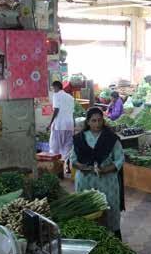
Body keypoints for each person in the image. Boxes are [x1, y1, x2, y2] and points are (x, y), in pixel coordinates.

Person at [70, 107, 125, 239]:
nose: (97, 124)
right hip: (85, 181)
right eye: (93, 121)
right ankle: (89, 238)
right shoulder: (79, 139)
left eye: (100, 120)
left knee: (109, 208)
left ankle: (112, 237)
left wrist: (105, 169)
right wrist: (82, 167)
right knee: (88, 209)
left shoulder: (111, 138)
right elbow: (73, 159)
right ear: (88, 122)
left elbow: (119, 159)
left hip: (107, 182)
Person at [48, 81, 75, 159]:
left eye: (53, 88)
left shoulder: (56, 95)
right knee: (67, 148)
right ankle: (66, 167)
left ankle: (56, 167)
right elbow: (72, 113)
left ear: (56, 87)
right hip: (70, 125)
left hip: (59, 125)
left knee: (55, 148)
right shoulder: (70, 97)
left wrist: (50, 123)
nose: (53, 90)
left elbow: (56, 109)